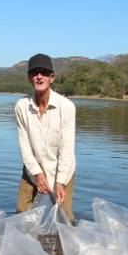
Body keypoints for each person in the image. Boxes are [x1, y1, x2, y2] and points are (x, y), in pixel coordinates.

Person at [15, 53, 76, 220]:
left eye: (44, 73)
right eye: (35, 73)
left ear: (52, 77)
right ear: (29, 78)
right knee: (22, 215)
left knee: (64, 219)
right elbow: (25, 146)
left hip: (61, 171)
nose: (39, 76)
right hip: (33, 170)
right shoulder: (22, 106)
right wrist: (37, 174)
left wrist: (60, 182)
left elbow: (67, 150)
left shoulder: (67, 107)